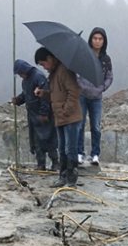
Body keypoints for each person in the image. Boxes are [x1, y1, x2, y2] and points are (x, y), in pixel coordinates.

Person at [34, 47, 83, 188]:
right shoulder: (54, 74)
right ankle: (62, 177)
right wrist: (43, 93)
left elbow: (74, 92)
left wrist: (65, 110)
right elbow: (56, 96)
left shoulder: (64, 71)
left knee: (70, 148)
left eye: (44, 64)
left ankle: (72, 179)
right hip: (60, 118)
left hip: (70, 118)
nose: (44, 67)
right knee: (61, 149)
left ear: (50, 58)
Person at [11, 59, 58, 171]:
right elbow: (26, 94)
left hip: (43, 115)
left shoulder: (38, 77)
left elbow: (45, 96)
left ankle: (55, 162)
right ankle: (40, 164)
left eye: (20, 73)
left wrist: (44, 113)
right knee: (37, 141)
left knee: (48, 139)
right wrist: (18, 100)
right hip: (32, 115)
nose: (20, 76)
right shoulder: (25, 81)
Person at [76, 27, 113, 166]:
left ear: (104, 41)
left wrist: (102, 87)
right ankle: (79, 153)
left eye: (100, 39)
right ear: (91, 40)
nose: (97, 41)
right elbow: (76, 74)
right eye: (95, 38)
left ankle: (95, 154)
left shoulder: (106, 59)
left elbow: (109, 77)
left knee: (96, 126)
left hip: (96, 97)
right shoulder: (84, 56)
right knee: (80, 125)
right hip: (82, 95)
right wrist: (81, 86)